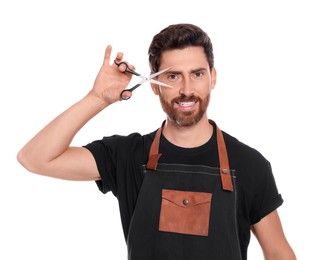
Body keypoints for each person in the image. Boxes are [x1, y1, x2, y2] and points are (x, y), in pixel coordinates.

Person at [17, 23, 296, 260]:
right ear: (153, 84)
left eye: (197, 74)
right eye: (173, 76)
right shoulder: (126, 156)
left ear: (212, 78)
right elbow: (35, 158)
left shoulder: (249, 165)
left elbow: (280, 254)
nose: (186, 90)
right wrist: (97, 98)